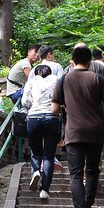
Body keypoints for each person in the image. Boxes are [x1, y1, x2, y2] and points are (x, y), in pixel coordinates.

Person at [51, 43, 104, 208]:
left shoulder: (63, 80)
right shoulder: (98, 78)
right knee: (93, 173)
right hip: (95, 133)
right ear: (90, 61)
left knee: (75, 174)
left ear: (72, 62)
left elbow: (54, 110)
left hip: (74, 133)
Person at [21, 63, 62, 199]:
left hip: (34, 118)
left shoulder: (32, 82)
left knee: (35, 151)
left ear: (36, 73)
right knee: (49, 156)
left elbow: (25, 102)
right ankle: (44, 190)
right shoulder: (57, 80)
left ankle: (36, 172)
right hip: (52, 118)